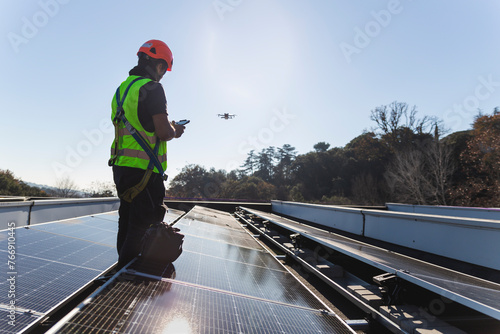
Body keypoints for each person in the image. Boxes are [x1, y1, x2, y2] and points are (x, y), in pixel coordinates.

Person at [109, 39, 185, 269]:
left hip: (122, 168)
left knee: (127, 222)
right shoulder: (153, 88)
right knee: (143, 229)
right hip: (145, 171)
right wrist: (176, 130)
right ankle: (129, 278)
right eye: (164, 69)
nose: (163, 75)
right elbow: (163, 132)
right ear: (158, 65)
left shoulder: (122, 90)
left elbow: (139, 125)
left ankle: (119, 275)